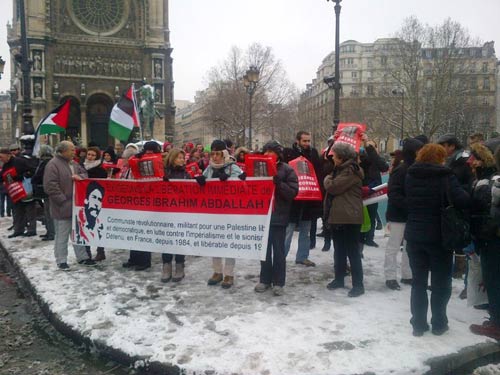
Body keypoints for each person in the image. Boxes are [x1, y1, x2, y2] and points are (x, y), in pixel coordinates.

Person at [405, 143, 469, 336]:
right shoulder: (446, 177)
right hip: (439, 237)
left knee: (418, 282)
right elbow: (463, 200)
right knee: (441, 283)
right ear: (440, 158)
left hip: (415, 235)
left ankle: (418, 324)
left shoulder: (410, 175)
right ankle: (439, 323)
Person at [197, 139, 245, 289]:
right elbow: (202, 184)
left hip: (230, 213)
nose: (215, 157)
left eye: (218, 153)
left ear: (223, 154)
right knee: (215, 243)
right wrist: (200, 182)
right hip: (214, 213)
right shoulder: (209, 169)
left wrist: (231, 180)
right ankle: (217, 272)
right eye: (212, 154)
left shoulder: (233, 168)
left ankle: (229, 274)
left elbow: (244, 184)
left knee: (229, 244)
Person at [254, 141, 298, 296]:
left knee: (278, 251)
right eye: (265, 152)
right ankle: (265, 279)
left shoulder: (287, 170)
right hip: (262, 217)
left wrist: (279, 184)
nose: (267, 155)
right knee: (264, 252)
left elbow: (292, 193)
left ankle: (278, 282)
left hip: (279, 217)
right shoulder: (258, 168)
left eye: (271, 151)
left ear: (278, 154)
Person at [43, 141, 96, 270]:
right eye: (71, 150)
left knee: (77, 234)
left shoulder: (74, 163)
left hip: (76, 207)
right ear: (63, 151)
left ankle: (82, 257)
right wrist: (63, 200)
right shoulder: (53, 165)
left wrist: (80, 176)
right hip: (62, 207)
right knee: (62, 235)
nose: (74, 152)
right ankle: (61, 260)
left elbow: (85, 174)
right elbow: (50, 186)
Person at [324, 142, 365, 297]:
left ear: (341, 157)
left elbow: (333, 187)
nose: (332, 158)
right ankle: (339, 279)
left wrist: (327, 178)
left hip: (349, 217)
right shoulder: (340, 169)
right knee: (339, 251)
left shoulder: (350, 171)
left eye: (334, 155)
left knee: (352, 252)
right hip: (338, 216)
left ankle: (358, 285)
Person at [468, 143, 500, 340]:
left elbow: (492, 214)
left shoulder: (494, 184)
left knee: (494, 280)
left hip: (494, 240)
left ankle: (497, 324)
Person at [384, 138, 423, 290]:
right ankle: (390, 277)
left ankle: (407, 275)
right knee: (393, 246)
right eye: (419, 151)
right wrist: (410, 205)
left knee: (409, 247)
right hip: (398, 215)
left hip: (409, 214)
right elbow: (393, 193)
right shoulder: (401, 170)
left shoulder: (415, 168)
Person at [437, 134, 473, 280]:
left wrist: (455, 190)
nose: (442, 149)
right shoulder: (454, 160)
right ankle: (458, 268)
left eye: (443, 145)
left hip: (460, 203)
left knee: (460, 239)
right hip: (455, 202)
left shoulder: (462, 160)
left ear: (451, 146)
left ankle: (460, 269)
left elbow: (465, 182)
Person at [283, 131, 322, 266]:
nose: (307, 144)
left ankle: (302, 257)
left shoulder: (313, 153)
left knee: (306, 231)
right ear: (297, 140)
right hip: (293, 199)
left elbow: (318, 172)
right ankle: (281, 258)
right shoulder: (288, 153)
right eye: (304, 141)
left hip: (309, 200)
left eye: (308, 141)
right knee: (288, 231)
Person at [121, 141, 161, 271]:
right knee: (133, 233)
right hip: (131, 205)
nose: (123, 161)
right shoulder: (126, 171)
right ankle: (133, 259)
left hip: (142, 205)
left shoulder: (140, 169)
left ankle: (144, 261)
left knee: (142, 233)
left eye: (125, 159)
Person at [161, 149, 191, 283]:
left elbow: (192, 190)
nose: (182, 160)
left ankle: (180, 266)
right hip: (166, 211)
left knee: (179, 239)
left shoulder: (186, 174)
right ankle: (166, 266)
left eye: (183, 158)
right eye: (179, 157)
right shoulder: (163, 173)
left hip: (181, 212)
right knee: (166, 240)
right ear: (172, 158)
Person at [359, 135, 389, 247]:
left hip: (374, 191)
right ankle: (361, 237)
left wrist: (370, 149)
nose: (369, 148)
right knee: (362, 215)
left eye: (372, 146)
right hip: (363, 190)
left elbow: (384, 167)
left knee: (372, 215)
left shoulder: (377, 160)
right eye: (367, 145)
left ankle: (369, 238)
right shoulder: (362, 159)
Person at [0, 148, 37, 238]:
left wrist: (23, 176)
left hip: (25, 189)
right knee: (17, 211)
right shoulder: (5, 165)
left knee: (29, 209)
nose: (0, 159)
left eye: (1, 157)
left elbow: (32, 170)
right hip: (15, 191)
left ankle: (31, 229)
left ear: (8, 155)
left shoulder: (20, 161)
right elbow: (2, 177)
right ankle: (18, 230)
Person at [82, 147, 107, 261]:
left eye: (93, 155)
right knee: (84, 225)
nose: (90, 157)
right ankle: (86, 252)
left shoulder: (100, 169)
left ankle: (100, 251)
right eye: (89, 154)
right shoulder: (82, 167)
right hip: (84, 200)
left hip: (97, 201)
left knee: (98, 226)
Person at [32, 145, 55, 241]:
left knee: (49, 214)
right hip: (45, 190)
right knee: (47, 213)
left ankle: (51, 233)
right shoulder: (47, 161)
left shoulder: (46, 162)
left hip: (46, 191)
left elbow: (39, 175)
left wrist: (34, 180)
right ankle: (49, 232)